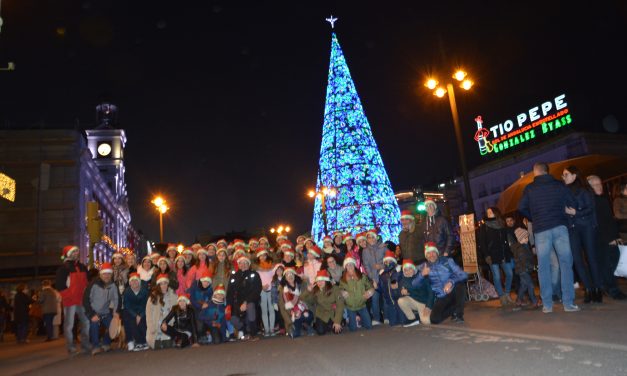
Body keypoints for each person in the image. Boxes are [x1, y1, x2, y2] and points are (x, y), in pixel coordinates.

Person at [518, 162, 579, 313]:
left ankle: (547, 305)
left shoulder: (530, 189)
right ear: (547, 171)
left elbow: (521, 207)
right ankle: (568, 303)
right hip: (559, 226)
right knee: (565, 263)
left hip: (541, 230)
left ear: (535, 172)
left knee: (543, 266)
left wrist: (533, 217)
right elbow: (573, 202)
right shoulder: (559, 185)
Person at [563, 165, 602, 303]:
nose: (564, 177)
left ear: (574, 176)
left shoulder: (584, 190)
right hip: (572, 228)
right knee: (577, 260)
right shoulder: (563, 192)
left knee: (591, 257)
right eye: (563, 175)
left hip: (587, 227)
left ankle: (598, 289)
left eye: (566, 174)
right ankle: (589, 289)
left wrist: (575, 213)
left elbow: (591, 208)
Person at [587, 175, 627, 300]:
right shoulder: (597, 201)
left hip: (604, 238)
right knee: (610, 264)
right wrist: (612, 238)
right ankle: (612, 289)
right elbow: (604, 222)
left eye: (600, 184)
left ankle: (606, 287)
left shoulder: (598, 199)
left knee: (607, 264)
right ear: (590, 187)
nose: (600, 186)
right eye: (596, 184)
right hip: (605, 238)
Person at [413, 243, 467, 324]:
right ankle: (454, 309)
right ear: (426, 256)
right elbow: (414, 285)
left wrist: (451, 282)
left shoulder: (447, 261)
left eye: (433, 252)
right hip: (441, 296)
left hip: (453, 291)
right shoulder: (424, 267)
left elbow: (464, 275)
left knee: (460, 285)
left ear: (437, 253)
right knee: (434, 319)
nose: (431, 255)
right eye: (428, 253)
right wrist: (421, 275)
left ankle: (459, 314)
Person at [55, 245, 91, 355]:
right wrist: (68, 296)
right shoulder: (63, 269)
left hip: (81, 300)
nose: (76, 253)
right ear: (68, 254)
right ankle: (71, 347)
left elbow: (87, 283)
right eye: (73, 252)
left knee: (86, 323)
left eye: (77, 252)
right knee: (69, 325)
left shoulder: (82, 267)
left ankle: (85, 346)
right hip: (70, 301)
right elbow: (60, 286)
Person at [478, 207, 515, 307]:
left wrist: (509, 253)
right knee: (497, 277)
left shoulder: (501, 224)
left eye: (490, 211)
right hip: (492, 255)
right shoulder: (484, 225)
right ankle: (502, 297)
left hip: (503, 253)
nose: (488, 213)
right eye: (487, 212)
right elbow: (482, 242)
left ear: (495, 212)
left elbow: (506, 240)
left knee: (510, 273)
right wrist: (486, 255)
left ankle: (507, 294)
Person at [83, 263, 121, 355]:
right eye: (104, 274)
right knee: (94, 325)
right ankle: (95, 346)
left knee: (113, 326)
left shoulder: (113, 285)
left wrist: (116, 312)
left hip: (105, 312)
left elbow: (117, 299)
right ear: (100, 274)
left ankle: (106, 343)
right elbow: (85, 300)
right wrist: (92, 314)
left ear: (111, 274)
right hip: (93, 311)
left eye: (109, 274)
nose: (107, 276)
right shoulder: (93, 284)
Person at [227, 256, 262, 341]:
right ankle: (244, 331)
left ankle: (253, 333)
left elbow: (256, 290)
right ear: (238, 265)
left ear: (249, 264)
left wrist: (246, 302)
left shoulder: (254, 275)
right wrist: (228, 306)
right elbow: (230, 292)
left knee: (250, 310)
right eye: (241, 263)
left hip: (250, 301)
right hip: (237, 302)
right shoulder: (234, 276)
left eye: (245, 263)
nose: (243, 265)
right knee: (232, 319)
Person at [301, 270, 345, 336]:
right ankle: (321, 325)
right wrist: (308, 291)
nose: (320, 283)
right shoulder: (316, 291)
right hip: (322, 314)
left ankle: (340, 321)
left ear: (326, 281)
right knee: (320, 332)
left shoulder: (335, 289)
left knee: (337, 331)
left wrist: (337, 321)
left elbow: (340, 305)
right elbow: (303, 298)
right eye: (318, 281)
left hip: (333, 313)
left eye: (322, 280)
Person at [339, 256, 374, 332]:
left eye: (351, 264)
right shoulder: (342, 279)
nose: (350, 266)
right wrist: (342, 292)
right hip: (350, 306)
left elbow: (370, 286)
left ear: (354, 265)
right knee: (353, 329)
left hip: (362, 304)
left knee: (369, 326)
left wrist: (370, 291)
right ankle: (352, 320)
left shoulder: (362, 276)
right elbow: (339, 289)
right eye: (347, 265)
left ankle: (360, 320)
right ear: (345, 267)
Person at [510, 223, 540, 308]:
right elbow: (524, 261)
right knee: (530, 285)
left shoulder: (524, 246)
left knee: (524, 286)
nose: (527, 239)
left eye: (527, 237)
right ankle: (534, 301)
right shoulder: (521, 249)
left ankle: (519, 300)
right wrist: (533, 267)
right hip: (523, 270)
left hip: (522, 269)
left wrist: (533, 265)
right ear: (520, 239)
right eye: (525, 238)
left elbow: (529, 259)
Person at [399, 259, 434, 327]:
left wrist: (428, 306)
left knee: (426, 322)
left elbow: (431, 292)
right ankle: (412, 319)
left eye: (410, 269)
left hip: (423, 302)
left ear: (414, 269)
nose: (408, 271)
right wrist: (402, 292)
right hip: (413, 301)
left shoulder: (422, 276)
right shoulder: (403, 279)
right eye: (405, 270)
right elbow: (400, 292)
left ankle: (427, 313)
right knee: (401, 300)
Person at [146, 274, 178, 349]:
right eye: (161, 284)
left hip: (168, 325)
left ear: (168, 284)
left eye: (165, 283)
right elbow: (148, 314)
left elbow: (176, 312)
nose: (163, 286)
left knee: (168, 345)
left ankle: (168, 338)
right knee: (156, 346)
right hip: (155, 326)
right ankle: (158, 339)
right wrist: (151, 327)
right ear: (158, 285)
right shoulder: (152, 297)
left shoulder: (173, 296)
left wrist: (170, 325)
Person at [278, 267, 312, 338]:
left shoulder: (302, 285)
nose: (290, 276)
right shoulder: (282, 291)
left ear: (295, 276)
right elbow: (282, 309)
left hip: (303, 312)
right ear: (285, 278)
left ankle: (306, 325)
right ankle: (299, 327)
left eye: (291, 274)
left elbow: (309, 300)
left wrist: (308, 291)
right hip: (292, 316)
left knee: (308, 315)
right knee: (294, 335)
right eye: (287, 275)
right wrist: (290, 322)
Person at [361, 229, 386, 325]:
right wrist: (373, 280)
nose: (371, 239)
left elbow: (390, 260)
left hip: (384, 276)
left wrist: (381, 266)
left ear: (376, 238)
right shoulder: (365, 251)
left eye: (373, 237)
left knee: (385, 297)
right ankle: (376, 318)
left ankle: (387, 317)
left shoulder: (382, 247)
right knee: (375, 297)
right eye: (369, 237)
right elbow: (366, 266)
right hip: (373, 277)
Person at [122, 273, 149, 351]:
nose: (134, 282)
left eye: (136, 281)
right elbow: (127, 305)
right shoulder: (127, 292)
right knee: (132, 323)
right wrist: (135, 315)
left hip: (142, 312)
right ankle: (138, 342)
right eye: (132, 281)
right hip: (132, 313)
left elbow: (146, 305)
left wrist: (140, 315)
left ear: (139, 282)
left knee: (142, 323)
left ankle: (144, 341)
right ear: (130, 283)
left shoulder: (144, 291)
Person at [376, 251, 404, 326]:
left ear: (393, 261)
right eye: (386, 261)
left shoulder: (399, 271)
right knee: (393, 323)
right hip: (389, 302)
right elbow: (381, 288)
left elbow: (401, 280)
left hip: (398, 299)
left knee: (402, 321)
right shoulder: (383, 274)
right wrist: (376, 287)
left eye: (390, 261)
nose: (388, 263)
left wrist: (396, 283)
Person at [254, 247, 276, 336]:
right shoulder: (257, 268)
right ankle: (266, 329)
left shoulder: (272, 266)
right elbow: (256, 280)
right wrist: (261, 287)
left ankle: (272, 329)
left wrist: (271, 285)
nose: (262, 257)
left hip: (271, 290)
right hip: (262, 291)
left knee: (271, 309)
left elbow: (274, 278)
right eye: (260, 256)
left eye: (264, 255)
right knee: (264, 310)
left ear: (267, 256)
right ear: (258, 257)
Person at [189, 270, 213, 344]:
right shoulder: (194, 285)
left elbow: (210, 299)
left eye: (208, 282)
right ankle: (198, 336)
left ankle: (205, 335)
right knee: (198, 320)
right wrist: (200, 306)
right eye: (205, 281)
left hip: (204, 307)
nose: (206, 283)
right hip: (194, 306)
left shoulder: (209, 289)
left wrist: (206, 304)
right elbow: (192, 299)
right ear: (201, 280)